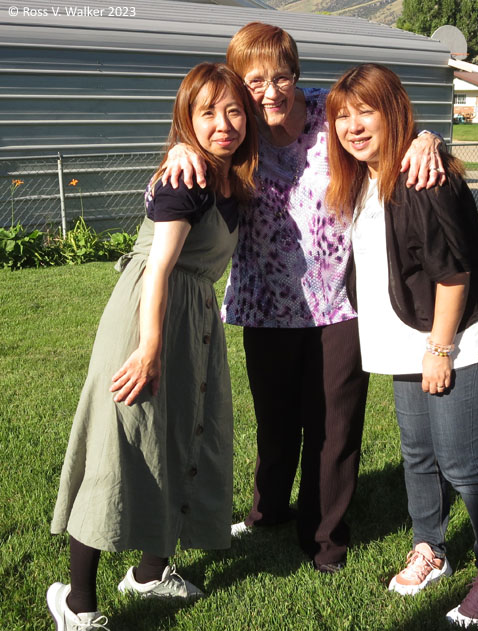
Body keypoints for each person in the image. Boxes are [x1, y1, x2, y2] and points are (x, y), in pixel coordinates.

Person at [163, 22, 446, 574]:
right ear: (239, 85)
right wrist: (177, 149)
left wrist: (428, 138)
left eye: (282, 77)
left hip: (339, 302)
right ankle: (268, 510)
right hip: (265, 302)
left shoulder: (326, 114)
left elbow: (383, 123)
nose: (271, 92)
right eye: (255, 81)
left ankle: (324, 539)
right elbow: (192, 137)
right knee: (274, 422)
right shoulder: (234, 132)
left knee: (333, 426)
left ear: (296, 76)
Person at [46, 62, 258, 631]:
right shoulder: (185, 176)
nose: (223, 124)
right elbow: (160, 267)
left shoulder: (229, 176)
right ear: (186, 120)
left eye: (234, 110)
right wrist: (148, 348)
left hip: (192, 319)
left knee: (182, 433)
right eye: (207, 112)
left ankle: (148, 572)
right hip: (150, 315)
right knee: (122, 444)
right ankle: (77, 603)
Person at [325, 63, 478, 626]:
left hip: (462, 333)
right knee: (418, 453)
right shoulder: (366, 178)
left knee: (463, 462)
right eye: (343, 116)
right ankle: (430, 549)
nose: (353, 126)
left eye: (366, 111)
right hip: (408, 335)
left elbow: (453, 275)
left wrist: (440, 350)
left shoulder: (421, 178)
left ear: (393, 113)